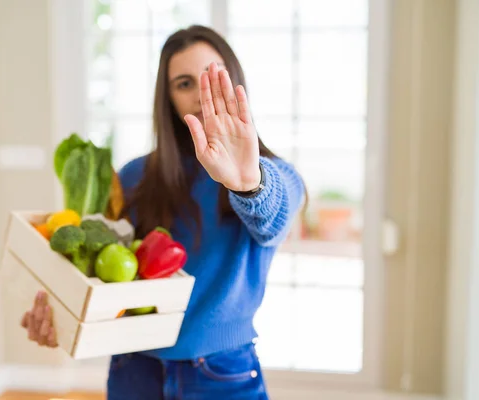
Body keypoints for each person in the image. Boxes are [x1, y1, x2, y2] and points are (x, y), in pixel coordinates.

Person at [21, 25, 306, 399]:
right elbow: (108, 273)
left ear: (234, 79)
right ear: (168, 97)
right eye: (184, 83)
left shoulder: (274, 175)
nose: (202, 94)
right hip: (132, 368)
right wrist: (66, 315)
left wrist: (248, 182)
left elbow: (272, 217)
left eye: (211, 75)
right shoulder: (135, 176)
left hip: (220, 374)